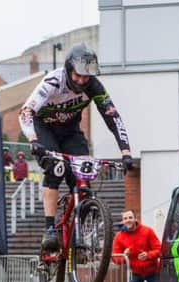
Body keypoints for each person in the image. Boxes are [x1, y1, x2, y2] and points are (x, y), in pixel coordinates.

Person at [18, 42, 133, 251]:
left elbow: (112, 117)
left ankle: (81, 229)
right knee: (55, 167)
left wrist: (125, 151)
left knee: (83, 177)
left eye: (86, 76)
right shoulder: (53, 81)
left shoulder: (94, 86)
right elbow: (26, 111)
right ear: (69, 69)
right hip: (44, 128)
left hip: (71, 132)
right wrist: (33, 140)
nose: (81, 81)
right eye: (77, 75)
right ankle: (50, 229)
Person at [112, 209, 161, 282]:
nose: (127, 220)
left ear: (135, 219)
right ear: (122, 221)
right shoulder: (119, 236)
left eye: (130, 217)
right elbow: (115, 257)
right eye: (125, 218)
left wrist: (148, 255)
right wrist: (124, 256)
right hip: (135, 273)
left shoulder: (147, 231)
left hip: (153, 271)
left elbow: (159, 249)